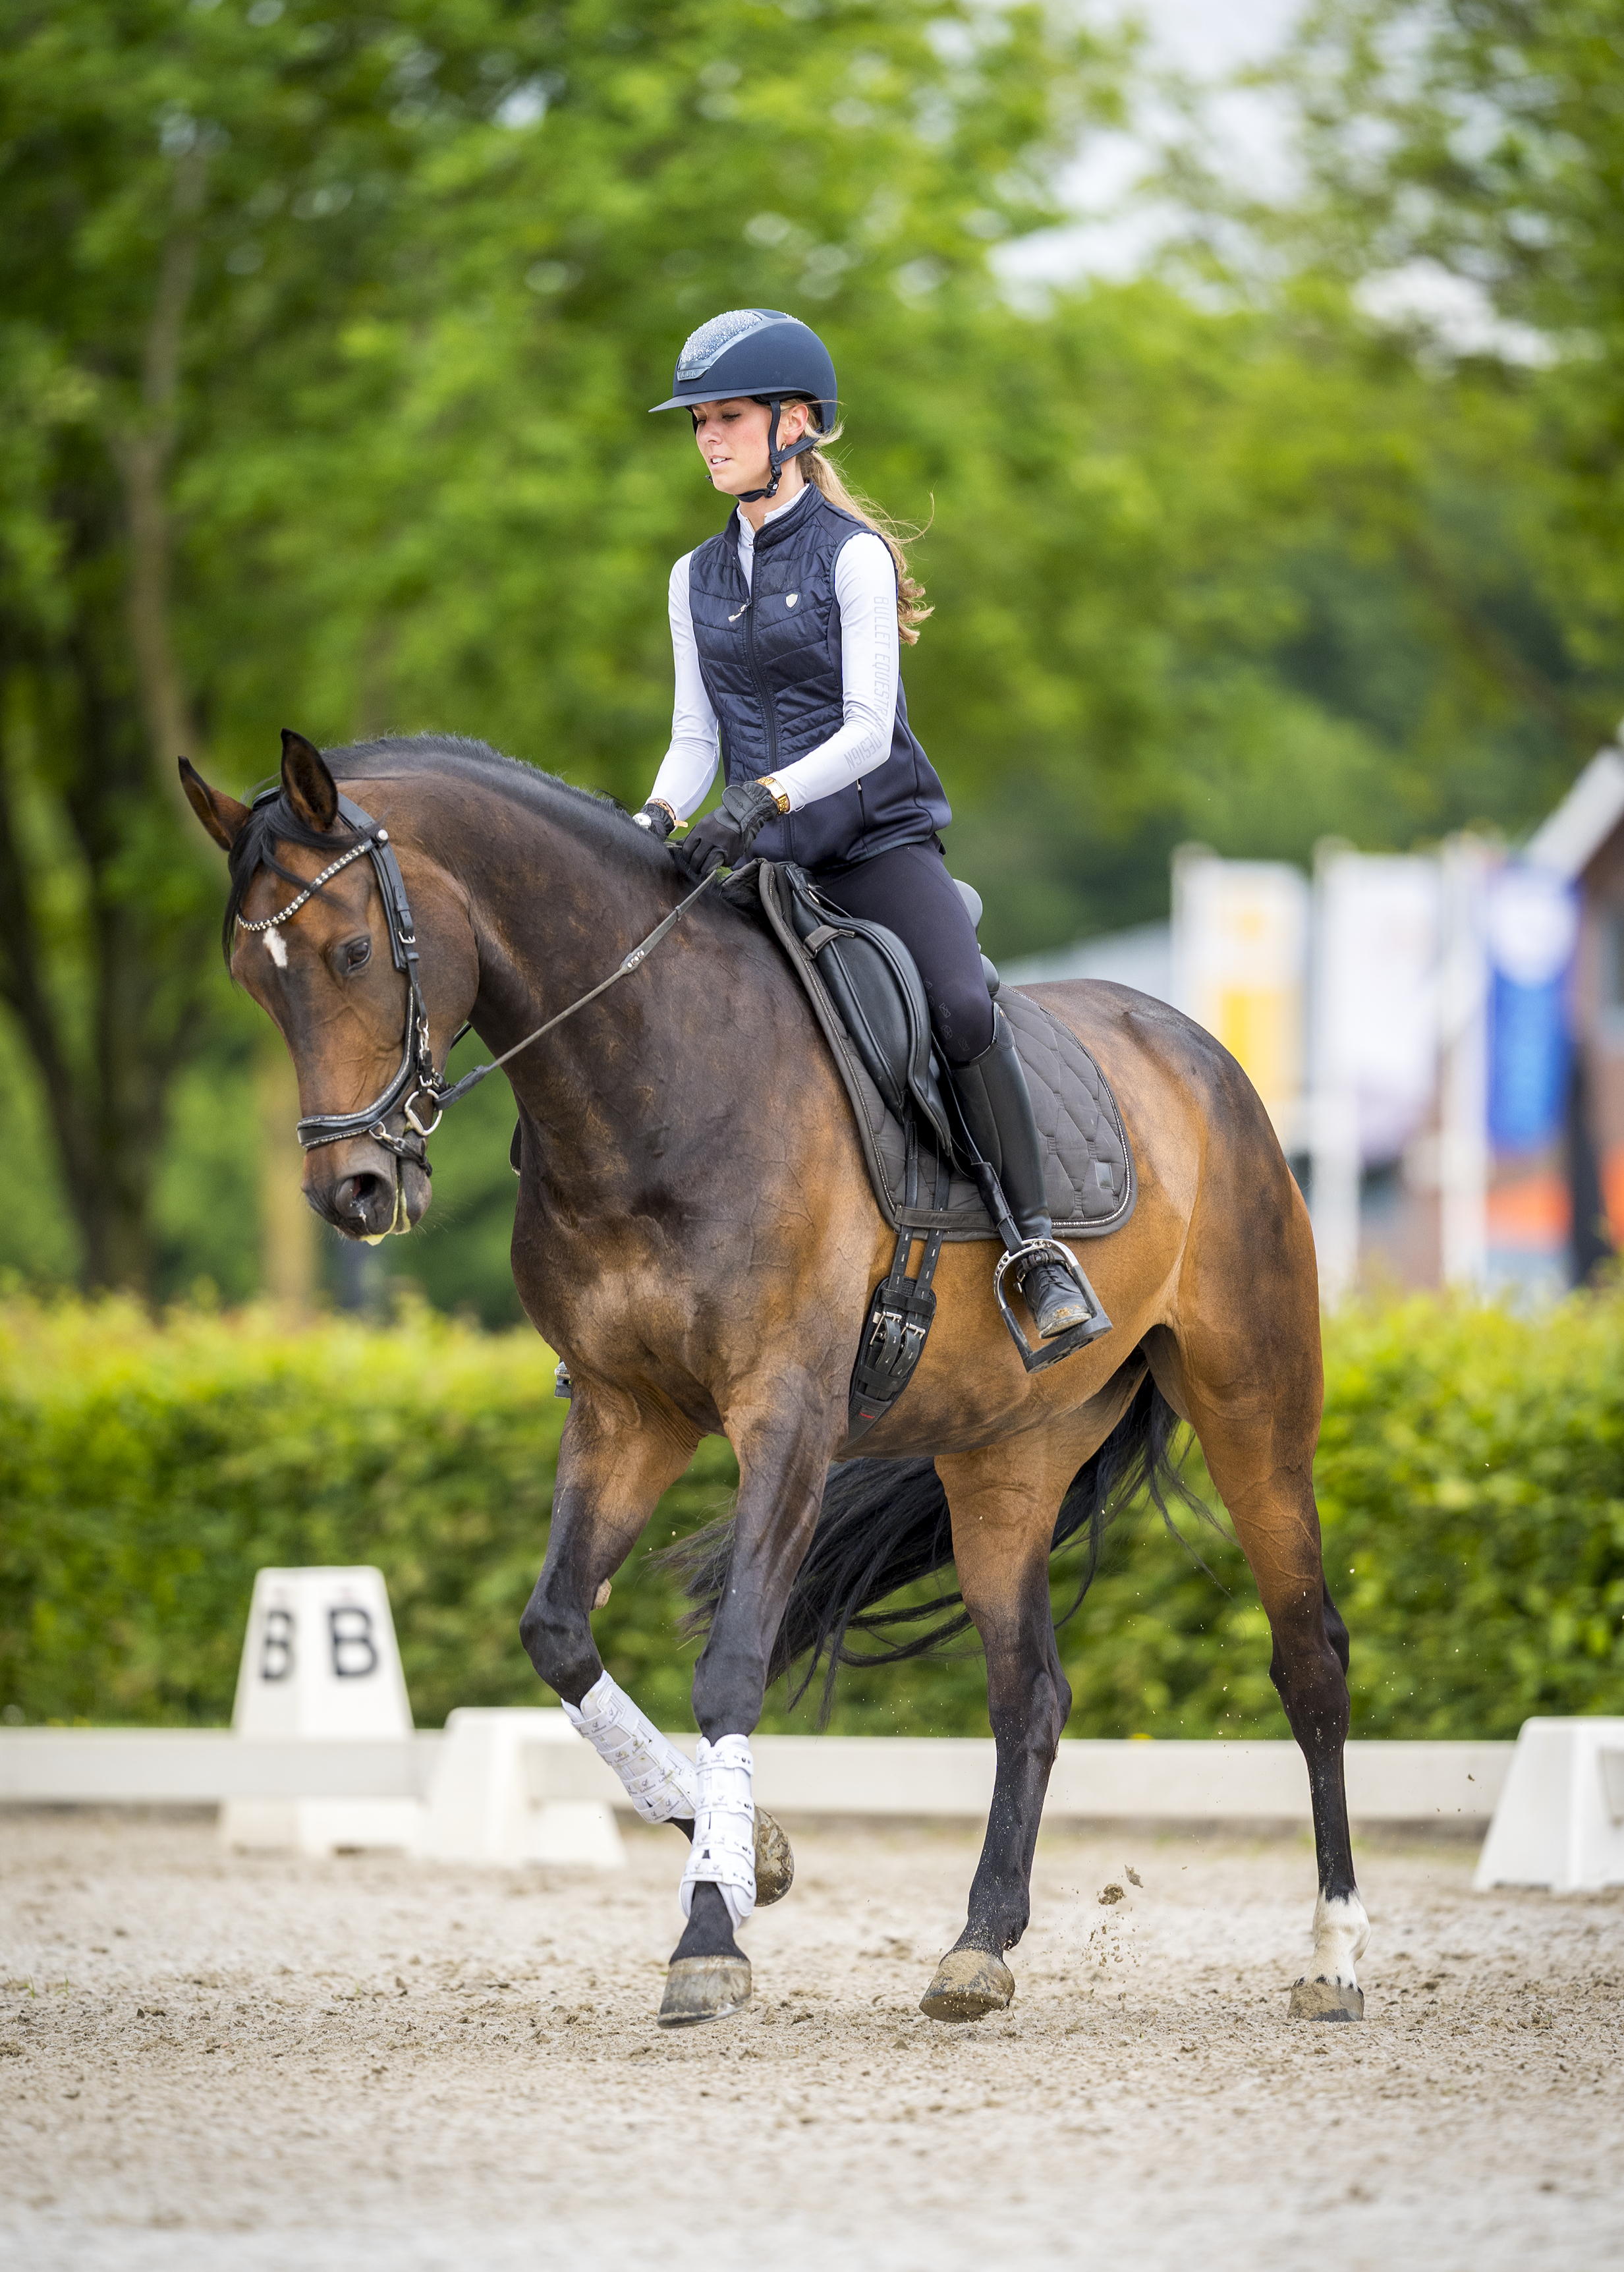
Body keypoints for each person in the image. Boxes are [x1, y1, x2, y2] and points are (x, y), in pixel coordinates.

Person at [634, 307, 1098, 1342]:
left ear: (797, 423)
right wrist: (655, 817)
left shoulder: (853, 558)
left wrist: (759, 801)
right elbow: (693, 738)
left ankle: (1035, 1247)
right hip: (758, 859)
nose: (709, 438)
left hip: (872, 844)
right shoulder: (691, 577)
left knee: (963, 1005)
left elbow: (863, 733)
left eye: (730, 418)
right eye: (698, 421)